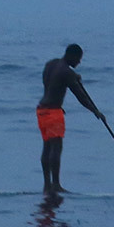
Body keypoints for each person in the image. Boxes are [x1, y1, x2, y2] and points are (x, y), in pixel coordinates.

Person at [38, 43, 101, 195]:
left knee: (47, 147)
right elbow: (81, 96)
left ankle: (47, 186)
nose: (79, 62)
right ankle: (56, 185)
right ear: (71, 56)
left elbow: (50, 84)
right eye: (78, 59)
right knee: (56, 147)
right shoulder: (67, 72)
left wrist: (73, 77)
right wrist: (95, 111)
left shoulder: (51, 64)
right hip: (53, 112)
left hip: (41, 110)